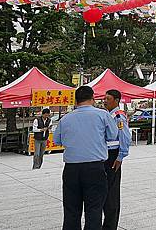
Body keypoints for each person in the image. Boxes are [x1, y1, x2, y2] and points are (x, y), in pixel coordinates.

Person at [53, 86, 118, 230]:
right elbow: (113, 135)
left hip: (71, 169)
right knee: (94, 210)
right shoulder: (102, 115)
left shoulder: (66, 118)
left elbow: (57, 140)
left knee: (71, 210)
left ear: (76, 101)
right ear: (92, 98)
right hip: (95, 168)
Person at [102, 89, 131, 230]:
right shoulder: (108, 115)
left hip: (113, 156)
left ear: (116, 100)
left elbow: (125, 137)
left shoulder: (118, 116)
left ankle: (110, 225)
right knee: (105, 191)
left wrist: (120, 157)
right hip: (105, 156)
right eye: (104, 98)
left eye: (108, 98)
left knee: (112, 193)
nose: (105, 100)